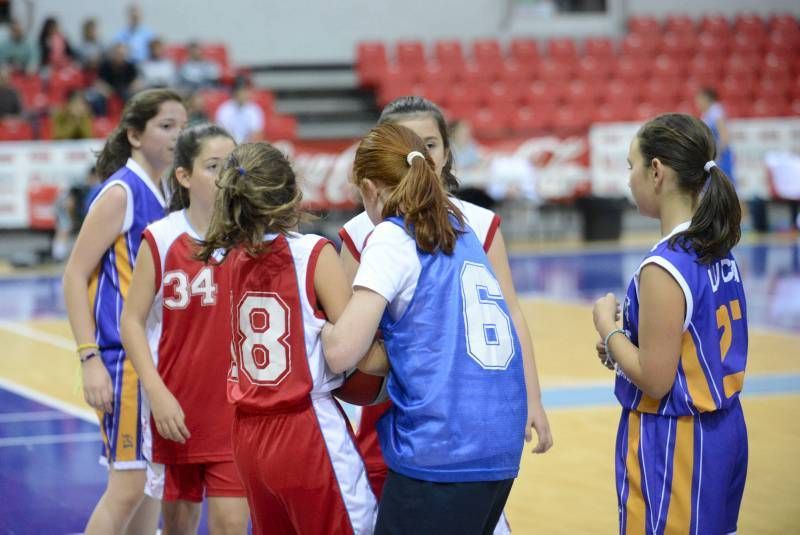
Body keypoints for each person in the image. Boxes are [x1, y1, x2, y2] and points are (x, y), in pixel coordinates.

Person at [337, 97, 552, 532]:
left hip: (436, 425)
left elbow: (345, 346)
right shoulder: (454, 225)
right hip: (466, 422)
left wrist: (536, 397)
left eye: (430, 142)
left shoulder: (403, 232)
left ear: (446, 152)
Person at [195, 142, 380, 535]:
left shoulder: (226, 257)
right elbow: (353, 345)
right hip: (305, 427)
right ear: (293, 192)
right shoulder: (313, 252)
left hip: (247, 435)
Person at [591, 113, 748, 535]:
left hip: (676, 440)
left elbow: (656, 380)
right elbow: (686, 347)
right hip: (725, 428)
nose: (629, 179)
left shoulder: (665, 264)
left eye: (632, 166)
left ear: (656, 171)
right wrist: (625, 343)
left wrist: (607, 326)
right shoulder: (716, 246)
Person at [62, 88, 187, 535]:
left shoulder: (168, 192)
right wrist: (89, 357)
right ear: (135, 134)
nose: (178, 136)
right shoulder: (120, 192)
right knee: (129, 487)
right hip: (123, 362)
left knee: (151, 485)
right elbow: (75, 276)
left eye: (183, 127)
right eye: (166, 126)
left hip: (157, 359)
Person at [120, 123, 250, 534]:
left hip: (237, 411)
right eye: (213, 166)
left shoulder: (255, 238)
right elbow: (132, 321)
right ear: (184, 176)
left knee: (231, 524)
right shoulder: (160, 238)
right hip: (176, 412)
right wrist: (157, 394)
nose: (225, 175)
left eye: (232, 165)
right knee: (179, 525)